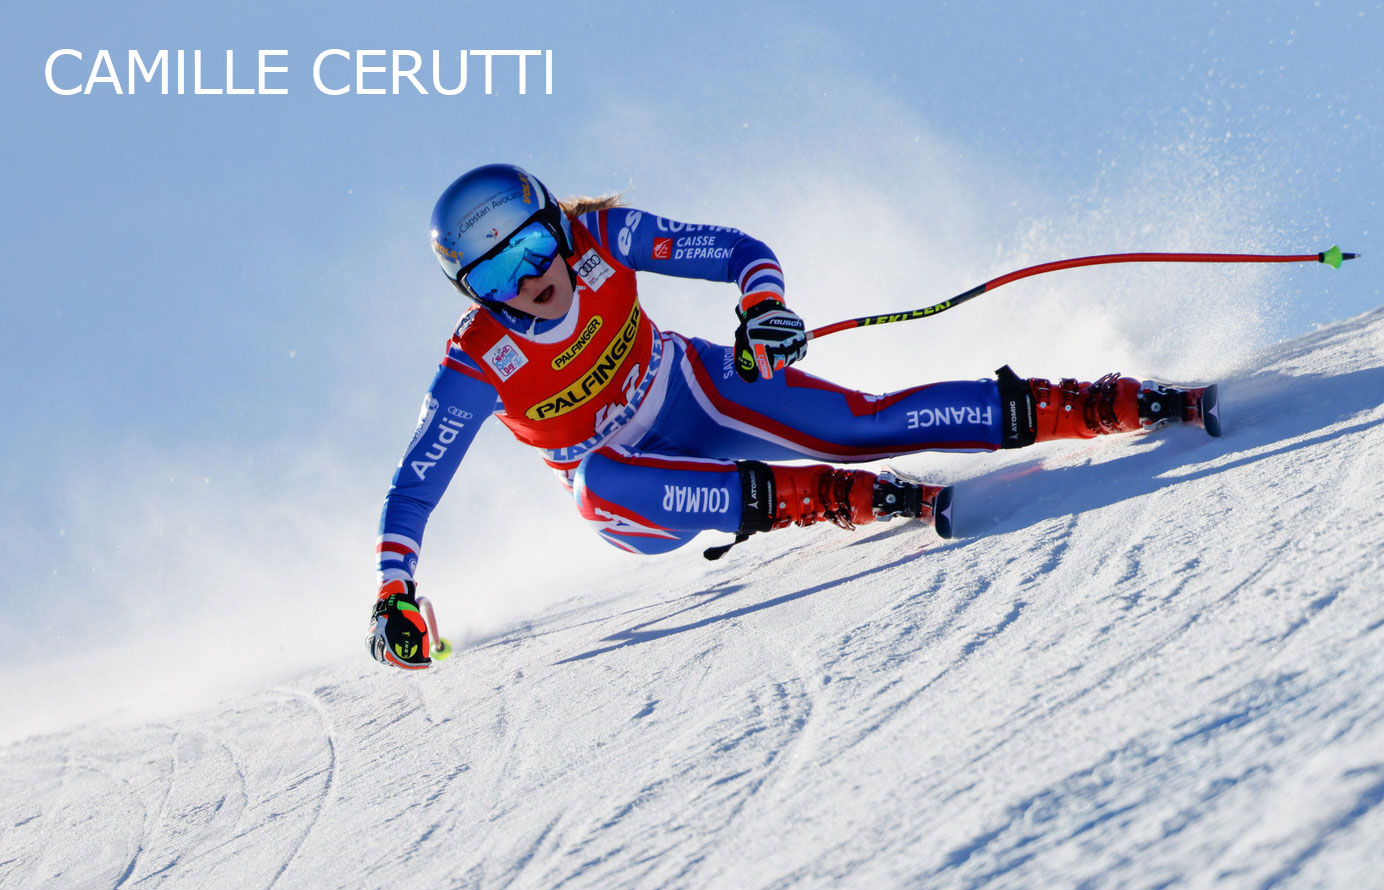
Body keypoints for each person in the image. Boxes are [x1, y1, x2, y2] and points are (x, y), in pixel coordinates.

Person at [366, 164, 1219, 670]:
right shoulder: (479, 360)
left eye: (531, 247)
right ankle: (823, 498)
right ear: (470, 294)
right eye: (495, 277)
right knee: (593, 482)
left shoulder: (601, 240)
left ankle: (1092, 403)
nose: (528, 281)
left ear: (556, 223)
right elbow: (416, 487)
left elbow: (740, 253)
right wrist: (393, 592)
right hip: (639, 493)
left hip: (691, 387)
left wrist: (762, 307)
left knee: (864, 420)